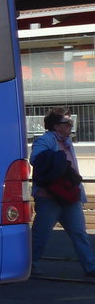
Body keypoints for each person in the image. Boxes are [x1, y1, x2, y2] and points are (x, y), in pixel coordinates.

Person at [30, 107, 95, 277]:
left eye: (70, 123)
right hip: (50, 197)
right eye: (67, 123)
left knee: (79, 233)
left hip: (69, 195)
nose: (70, 126)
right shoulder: (45, 140)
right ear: (55, 126)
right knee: (41, 234)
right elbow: (36, 159)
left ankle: (90, 267)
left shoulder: (68, 141)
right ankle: (30, 265)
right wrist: (57, 160)